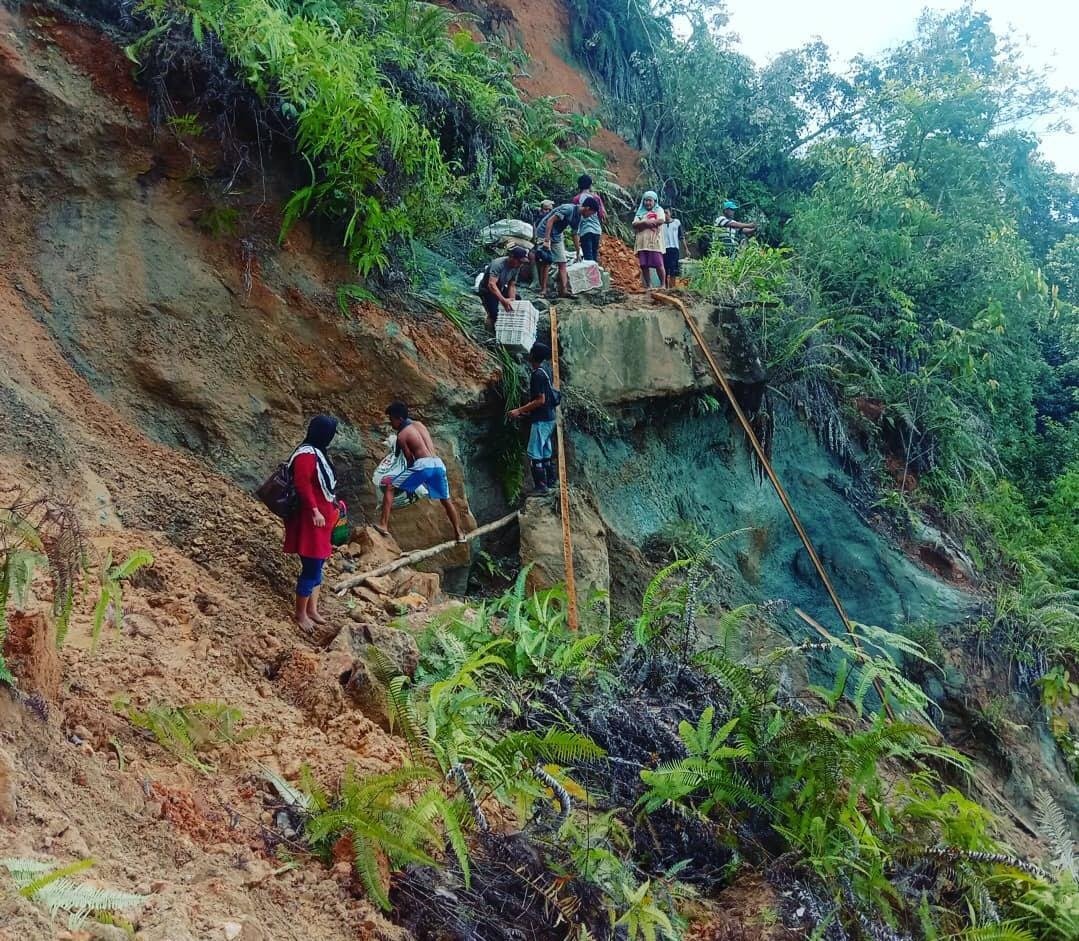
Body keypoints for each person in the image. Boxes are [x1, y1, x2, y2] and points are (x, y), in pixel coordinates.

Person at [283, 415, 341, 631]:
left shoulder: (318, 452)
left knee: (319, 566)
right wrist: (316, 510)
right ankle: (300, 614)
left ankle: (312, 609)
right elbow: (302, 484)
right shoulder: (306, 454)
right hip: (311, 520)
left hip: (322, 519)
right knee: (312, 566)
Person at [377, 402, 466, 543]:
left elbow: (410, 460)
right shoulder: (420, 425)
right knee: (446, 500)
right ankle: (459, 533)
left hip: (423, 465)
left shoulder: (402, 435)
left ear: (399, 418)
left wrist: (410, 480)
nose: (391, 423)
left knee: (390, 487)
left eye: (391, 419)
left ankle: (383, 525)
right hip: (438, 464)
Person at [508, 343, 558, 495]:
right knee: (545, 451)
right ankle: (551, 481)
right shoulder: (546, 371)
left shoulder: (537, 375)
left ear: (533, 356)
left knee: (535, 452)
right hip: (549, 417)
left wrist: (518, 410)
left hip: (541, 420)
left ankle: (541, 486)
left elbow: (540, 400)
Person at [535, 198, 601, 297]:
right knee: (546, 261)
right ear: (587, 208)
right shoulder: (568, 209)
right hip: (544, 232)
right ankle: (543, 290)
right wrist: (546, 241)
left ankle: (564, 290)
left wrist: (578, 251)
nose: (590, 216)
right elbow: (550, 221)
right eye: (591, 213)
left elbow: (574, 234)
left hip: (557, 235)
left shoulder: (578, 217)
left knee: (562, 262)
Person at [479, 245, 529, 330]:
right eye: (519, 261)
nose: (521, 264)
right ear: (512, 257)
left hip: (500, 288)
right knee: (495, 313)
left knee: (517, 299)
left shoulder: (516, 267)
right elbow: (491, 285)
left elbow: (512, 284)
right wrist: (503, 300)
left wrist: (512, 300)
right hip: (488, 290)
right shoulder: (498, 264)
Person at [632, 191, 666, 292]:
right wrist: (645, 222)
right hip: (642, 243)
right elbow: (634, 224)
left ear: (654, 201)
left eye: (650, 200)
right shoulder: (640, 212)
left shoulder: (659, 210)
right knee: (644, 265)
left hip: (654, 242)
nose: (647, 203)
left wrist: (643, 224)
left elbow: (661, 220)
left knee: (658, 264)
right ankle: (649, 285)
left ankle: (663, 285)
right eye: (646, 200)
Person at [571, 174, 607, 263]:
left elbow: (575, 215)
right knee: (594, 255)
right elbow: (602, 215)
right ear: (590, 185)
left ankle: (590, 275)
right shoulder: (596, 198)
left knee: (588, 256)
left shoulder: (576, 199)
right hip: (596, 229)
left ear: (579, 185)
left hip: (584, 230)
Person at [663, 208, 687, 288]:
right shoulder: (660, 224)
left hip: (674, 249)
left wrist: (686, 249)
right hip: (664, 249)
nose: (665, 215)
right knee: (665, 269)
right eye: (663, 213)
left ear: (670, 213)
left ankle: (672, 288)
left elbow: (681, 236)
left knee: (673, 269)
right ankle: (665, 288)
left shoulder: (676, 222)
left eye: (666, 212)